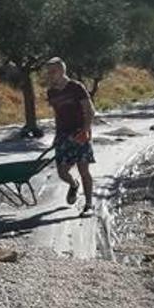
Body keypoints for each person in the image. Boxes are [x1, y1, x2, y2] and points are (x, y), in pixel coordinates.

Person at [44, 57, 96, 214]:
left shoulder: (76, 87)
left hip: (80, 133)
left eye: (52, 72)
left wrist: (85, 130)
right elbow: (58, 114)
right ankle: (74, 185)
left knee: (84, 170)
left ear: (61, 71)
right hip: (63, 135)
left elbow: (90, 110)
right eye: (48, 72)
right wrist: (56, 136)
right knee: (62, 172)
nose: (50, 75)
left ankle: (88, 205)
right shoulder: (51, 92)